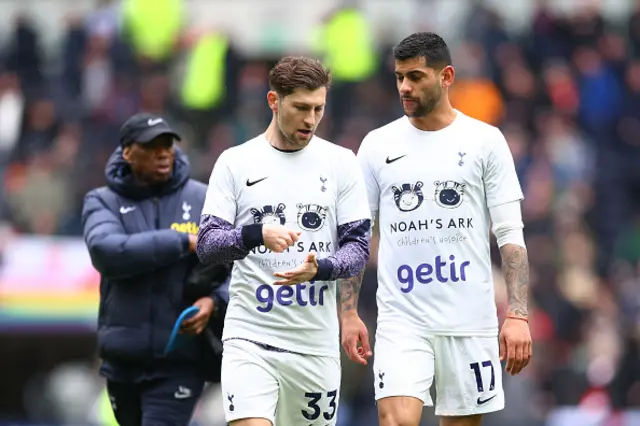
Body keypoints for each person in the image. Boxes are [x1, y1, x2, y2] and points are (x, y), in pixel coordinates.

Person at [355, 32, 533, 426]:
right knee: (395, 421)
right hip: (402, 320)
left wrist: (518, 315)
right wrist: (349, 312)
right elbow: (358, 234)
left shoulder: (485, 142)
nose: (405, 86)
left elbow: (510, 236)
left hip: (469, 320)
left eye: (416, 76)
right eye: (400, 76)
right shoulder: (376, 145)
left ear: (447, 75)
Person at [196, 56, 372, 426]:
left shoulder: (341, 164)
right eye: (301, 108)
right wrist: (255, 234)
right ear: (274, 102)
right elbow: (209, 245)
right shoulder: (235, 163)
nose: (311, 119)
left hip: (314, 346)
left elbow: (357, 250)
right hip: (250, 340)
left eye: (318, 108)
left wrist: (322, 268)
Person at [82, 112, 230, 426]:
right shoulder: (103, 201)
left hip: (180, 358)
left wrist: (214, 301)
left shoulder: (204, 198)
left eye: (168, 145)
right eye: (152, 146)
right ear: (127, 152)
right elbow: (107, 252)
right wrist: (182, 240)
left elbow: (238, 267)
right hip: (123, 360)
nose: (163, 153)